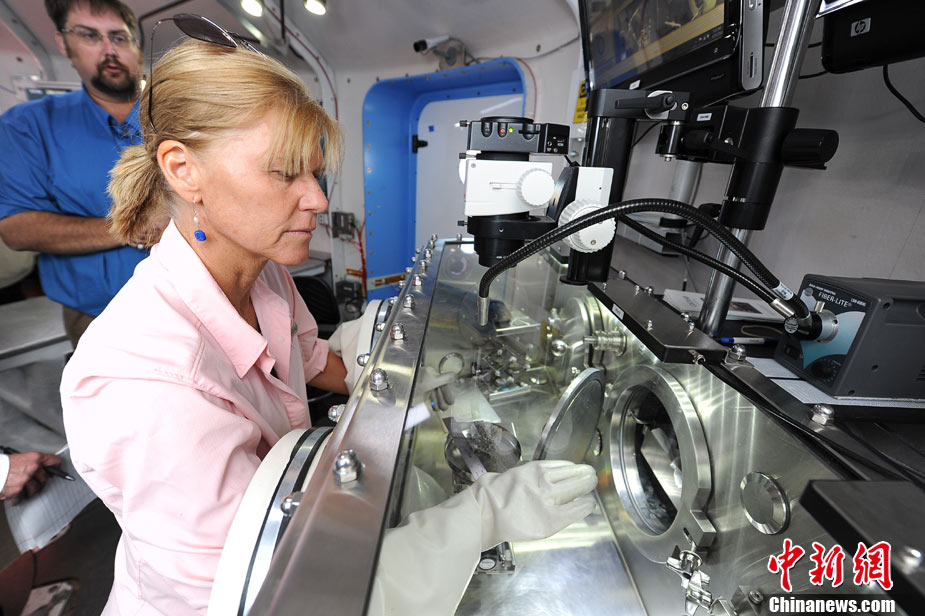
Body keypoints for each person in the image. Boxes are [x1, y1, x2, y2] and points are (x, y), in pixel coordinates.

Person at [61, 25, 596, 616]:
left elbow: (310, 360)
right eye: (283, 173)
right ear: (184, 170)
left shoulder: (262, 273)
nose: (317, 199)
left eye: (315, 173)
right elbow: (273, 594)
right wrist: (483, 515)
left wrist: (413, 374)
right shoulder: (144, 383)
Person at [0, 0, 155, 347]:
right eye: (90, 36)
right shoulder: (28, 126)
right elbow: (17, 229)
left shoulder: (179, 115)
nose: (109, 50)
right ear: (63, 44)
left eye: (119, 37)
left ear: (137, 47)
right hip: (101, 318)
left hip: (207, 302)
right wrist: (132, 226)